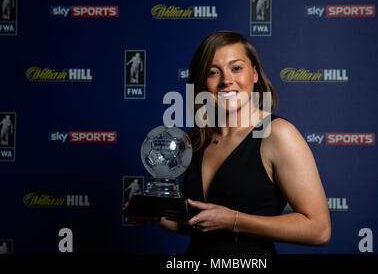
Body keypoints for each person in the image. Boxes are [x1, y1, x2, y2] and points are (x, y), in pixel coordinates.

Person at [125, 31, 331, 254]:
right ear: (201, 82)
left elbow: (318, 230)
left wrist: (234, 220)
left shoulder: (277, 134)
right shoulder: (197, 138)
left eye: (236, 68)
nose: (226, 80)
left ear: (254, 74)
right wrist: (155, 214)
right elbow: (200, 224)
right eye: (213, 72)